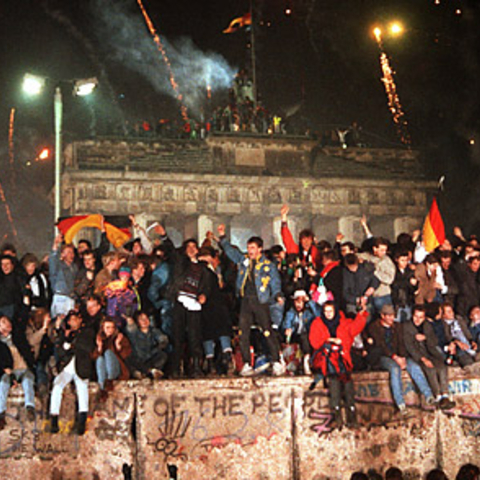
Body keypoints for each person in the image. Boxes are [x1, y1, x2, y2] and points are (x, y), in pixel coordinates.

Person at [219, 224, 286, 376]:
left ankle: (276, 360)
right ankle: (247, 363)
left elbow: (275, 282)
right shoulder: (244, 260)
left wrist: (277, 295)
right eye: (249, 247)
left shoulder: (268, 265)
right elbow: (231, 253)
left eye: (253, 248)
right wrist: (223, 238)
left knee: (267, 330)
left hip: (260, 300)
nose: (250, 251)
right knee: (243, 332)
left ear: (260, 249)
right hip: (246, 301)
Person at [309, 300, 369, 428]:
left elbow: (355, 328)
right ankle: (337, 417)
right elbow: (315, 342)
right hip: (329, 361)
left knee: (348, 388)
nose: (328, 314)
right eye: (326, 311)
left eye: (330, 311)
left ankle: (352, 417)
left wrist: (362, 314)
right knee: (334, 388)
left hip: (343, 360)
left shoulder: (344, 322)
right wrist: (329, 340)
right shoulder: (317, 323)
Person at [366, 304, 434, 414]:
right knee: (394, 369)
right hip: (384, 356)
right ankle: (400, 402)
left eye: (393, 315)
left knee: (414, 366)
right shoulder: (374, 327)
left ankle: (428, 395)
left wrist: (402, 357)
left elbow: (401, 343)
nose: (391, 318)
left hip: (399, 355)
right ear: (382, 316)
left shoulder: (397, 326)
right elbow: (381, 345)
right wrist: (395, 357)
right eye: (388, 316)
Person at [49, 310, 95, 435]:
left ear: (80, 320)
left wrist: (69, 344)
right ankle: (54, 418)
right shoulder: (64, 334)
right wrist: (61, 334)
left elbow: (87, 346)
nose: (73, 322)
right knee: (57, 385)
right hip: (67, 367)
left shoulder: (87, 331)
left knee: (82, 389)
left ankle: (82, 421)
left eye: (76, 319)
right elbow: (59, 350)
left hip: (81, 365)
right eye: (71, 320)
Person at [403, 305, 455, 410]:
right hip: (417, 356)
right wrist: (423, 359)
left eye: (421, 317)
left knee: (441, 367)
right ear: (412, 315)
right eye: (415, 316)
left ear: (424, 317)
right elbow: (409, 347)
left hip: (430, 353)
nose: (418, 320)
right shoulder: (406, 327)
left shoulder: (427, 325)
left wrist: (426, 338)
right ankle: (438, 396)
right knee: (430, 369)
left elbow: (434, 341)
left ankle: (445, 395)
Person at [0, 316, 36, 429]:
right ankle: (1, 412)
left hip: (24, 368)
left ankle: (30, 407)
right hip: (11, 371)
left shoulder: (18, 337)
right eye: (4, 322)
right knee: (4, 382)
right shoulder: (0, 344)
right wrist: (9, 373)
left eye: (8, 321)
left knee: (28, 380)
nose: (8, 324)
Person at [93, 318, 131, 401]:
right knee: (100, 359)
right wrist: (99, 347)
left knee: (108, 353)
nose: (110, 330)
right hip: (104, 371)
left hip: (117, 369)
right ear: (103, 328)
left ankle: (109, 380)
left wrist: (118, 346)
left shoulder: (120, 337)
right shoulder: (99, 339)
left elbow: (126, 354)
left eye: (112, 327)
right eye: (108, 327)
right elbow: (94, 356)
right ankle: (103, 388)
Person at [125, 311, 168, 379]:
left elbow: (162, 338)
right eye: (141, 319)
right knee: (129, 360)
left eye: (146, 318)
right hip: (138, 358)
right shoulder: (134, 332)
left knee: (162, 355)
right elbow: (130, 327)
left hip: (151, 357)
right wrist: (129, 318)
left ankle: (151, 371)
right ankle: (143, 372)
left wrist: (162, 343)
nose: (144, 321)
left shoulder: (154, 331)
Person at [282, 290, 316, 374]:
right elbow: (287, 323)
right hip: (295, 335)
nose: (298, 304)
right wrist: (288, 329)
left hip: (308, 335)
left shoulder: (309, 312)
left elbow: (318, 314)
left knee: (304, 337)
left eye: (301, 302)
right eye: (297, 302)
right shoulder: (291, 312)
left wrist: (310, 302)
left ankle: (306, 361)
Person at [49, 235, 78, 318]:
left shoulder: (74, 267)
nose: (71, 255)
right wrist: (55, 245)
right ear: (62, 254)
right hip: (60, 297)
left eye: (72, 252)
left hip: (71, 297)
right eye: (68, 252)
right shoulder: (58, 266)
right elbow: (52, 260)